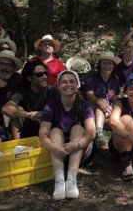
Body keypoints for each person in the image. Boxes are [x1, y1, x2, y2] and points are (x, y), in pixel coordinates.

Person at [39, 70, 96, 200]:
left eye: (72, 81)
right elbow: (42, 134)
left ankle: (71, 179)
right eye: (64, 82)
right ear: (58, 86)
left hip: (81, 149)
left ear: (77, 85)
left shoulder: (85, 105)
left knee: (77, 127)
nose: (68, 84)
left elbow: (91, 132)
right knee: (54, 131)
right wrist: (54, 147)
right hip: (58, 151)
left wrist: (77, 144)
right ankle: (59, 181)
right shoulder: (51, 105)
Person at [2, 59, 61, 140]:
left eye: (45, 73)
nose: (45, 77)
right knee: (17, 110)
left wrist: (44, 114)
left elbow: (63, 111)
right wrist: (29, 115)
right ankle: (18, 146)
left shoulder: (53, 91)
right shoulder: (22, 92)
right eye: (40, 74)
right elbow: (6, 109)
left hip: (49, 131)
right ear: (29, 78)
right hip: (28, 131)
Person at [83, 51, 121, 147]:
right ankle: (99, 132)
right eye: (104, 63)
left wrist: (117, 97)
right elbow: (89, 94)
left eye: (109, 63)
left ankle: (100, 127)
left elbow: (114, 96)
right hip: (94, 106)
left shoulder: (115, 79)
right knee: (101, 103)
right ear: (100, 64)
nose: (107, 66)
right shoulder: (92, 77)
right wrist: (99, 101)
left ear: (113, 65)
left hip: (109, 108)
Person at [0, 49, 24, 135]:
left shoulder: (19, 80)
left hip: (13, 120)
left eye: (8, 64)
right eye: (1, 64)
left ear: (14, 67)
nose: (4, 68)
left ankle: (19, 145)